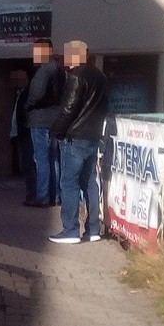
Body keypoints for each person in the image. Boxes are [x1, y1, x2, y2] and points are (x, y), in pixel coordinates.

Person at [48, 40, 109, 244]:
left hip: (75, 138)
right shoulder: (100, 76)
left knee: (69, 183)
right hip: (93, 137)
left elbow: (68, 109)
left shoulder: (76, 76)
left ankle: (70, 231)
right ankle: (93, 230)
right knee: (90, 182)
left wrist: (56, 132)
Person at [24, 38, 66, 207]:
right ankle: (54, 197)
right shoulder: (59, 70)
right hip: (56, 119)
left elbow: (37, 94)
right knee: (54, 160)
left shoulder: (44, 69)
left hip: (40, 119)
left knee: (41, 159)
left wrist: (27, 105)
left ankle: (42, 196)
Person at [9, 69, 35, 202]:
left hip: (26, 134)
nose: (14, 78)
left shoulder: (28, 93)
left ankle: (32, 195)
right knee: (27, 165)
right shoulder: (21, 93)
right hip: (22, 133)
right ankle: (32, 193)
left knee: (29, 165)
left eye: (17, 76)